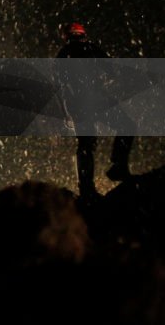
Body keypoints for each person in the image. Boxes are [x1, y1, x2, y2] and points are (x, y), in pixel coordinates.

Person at [57, 22, 133, 199]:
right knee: (127, 126)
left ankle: (86, 188)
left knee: (86, 145)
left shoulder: (63, 55)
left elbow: (60, 86)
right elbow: (112, 71)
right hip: (98, 100)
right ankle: (118, 165)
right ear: (82, 34)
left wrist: (66, 111)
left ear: (66, 36)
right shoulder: (90, 49)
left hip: (79, 104)